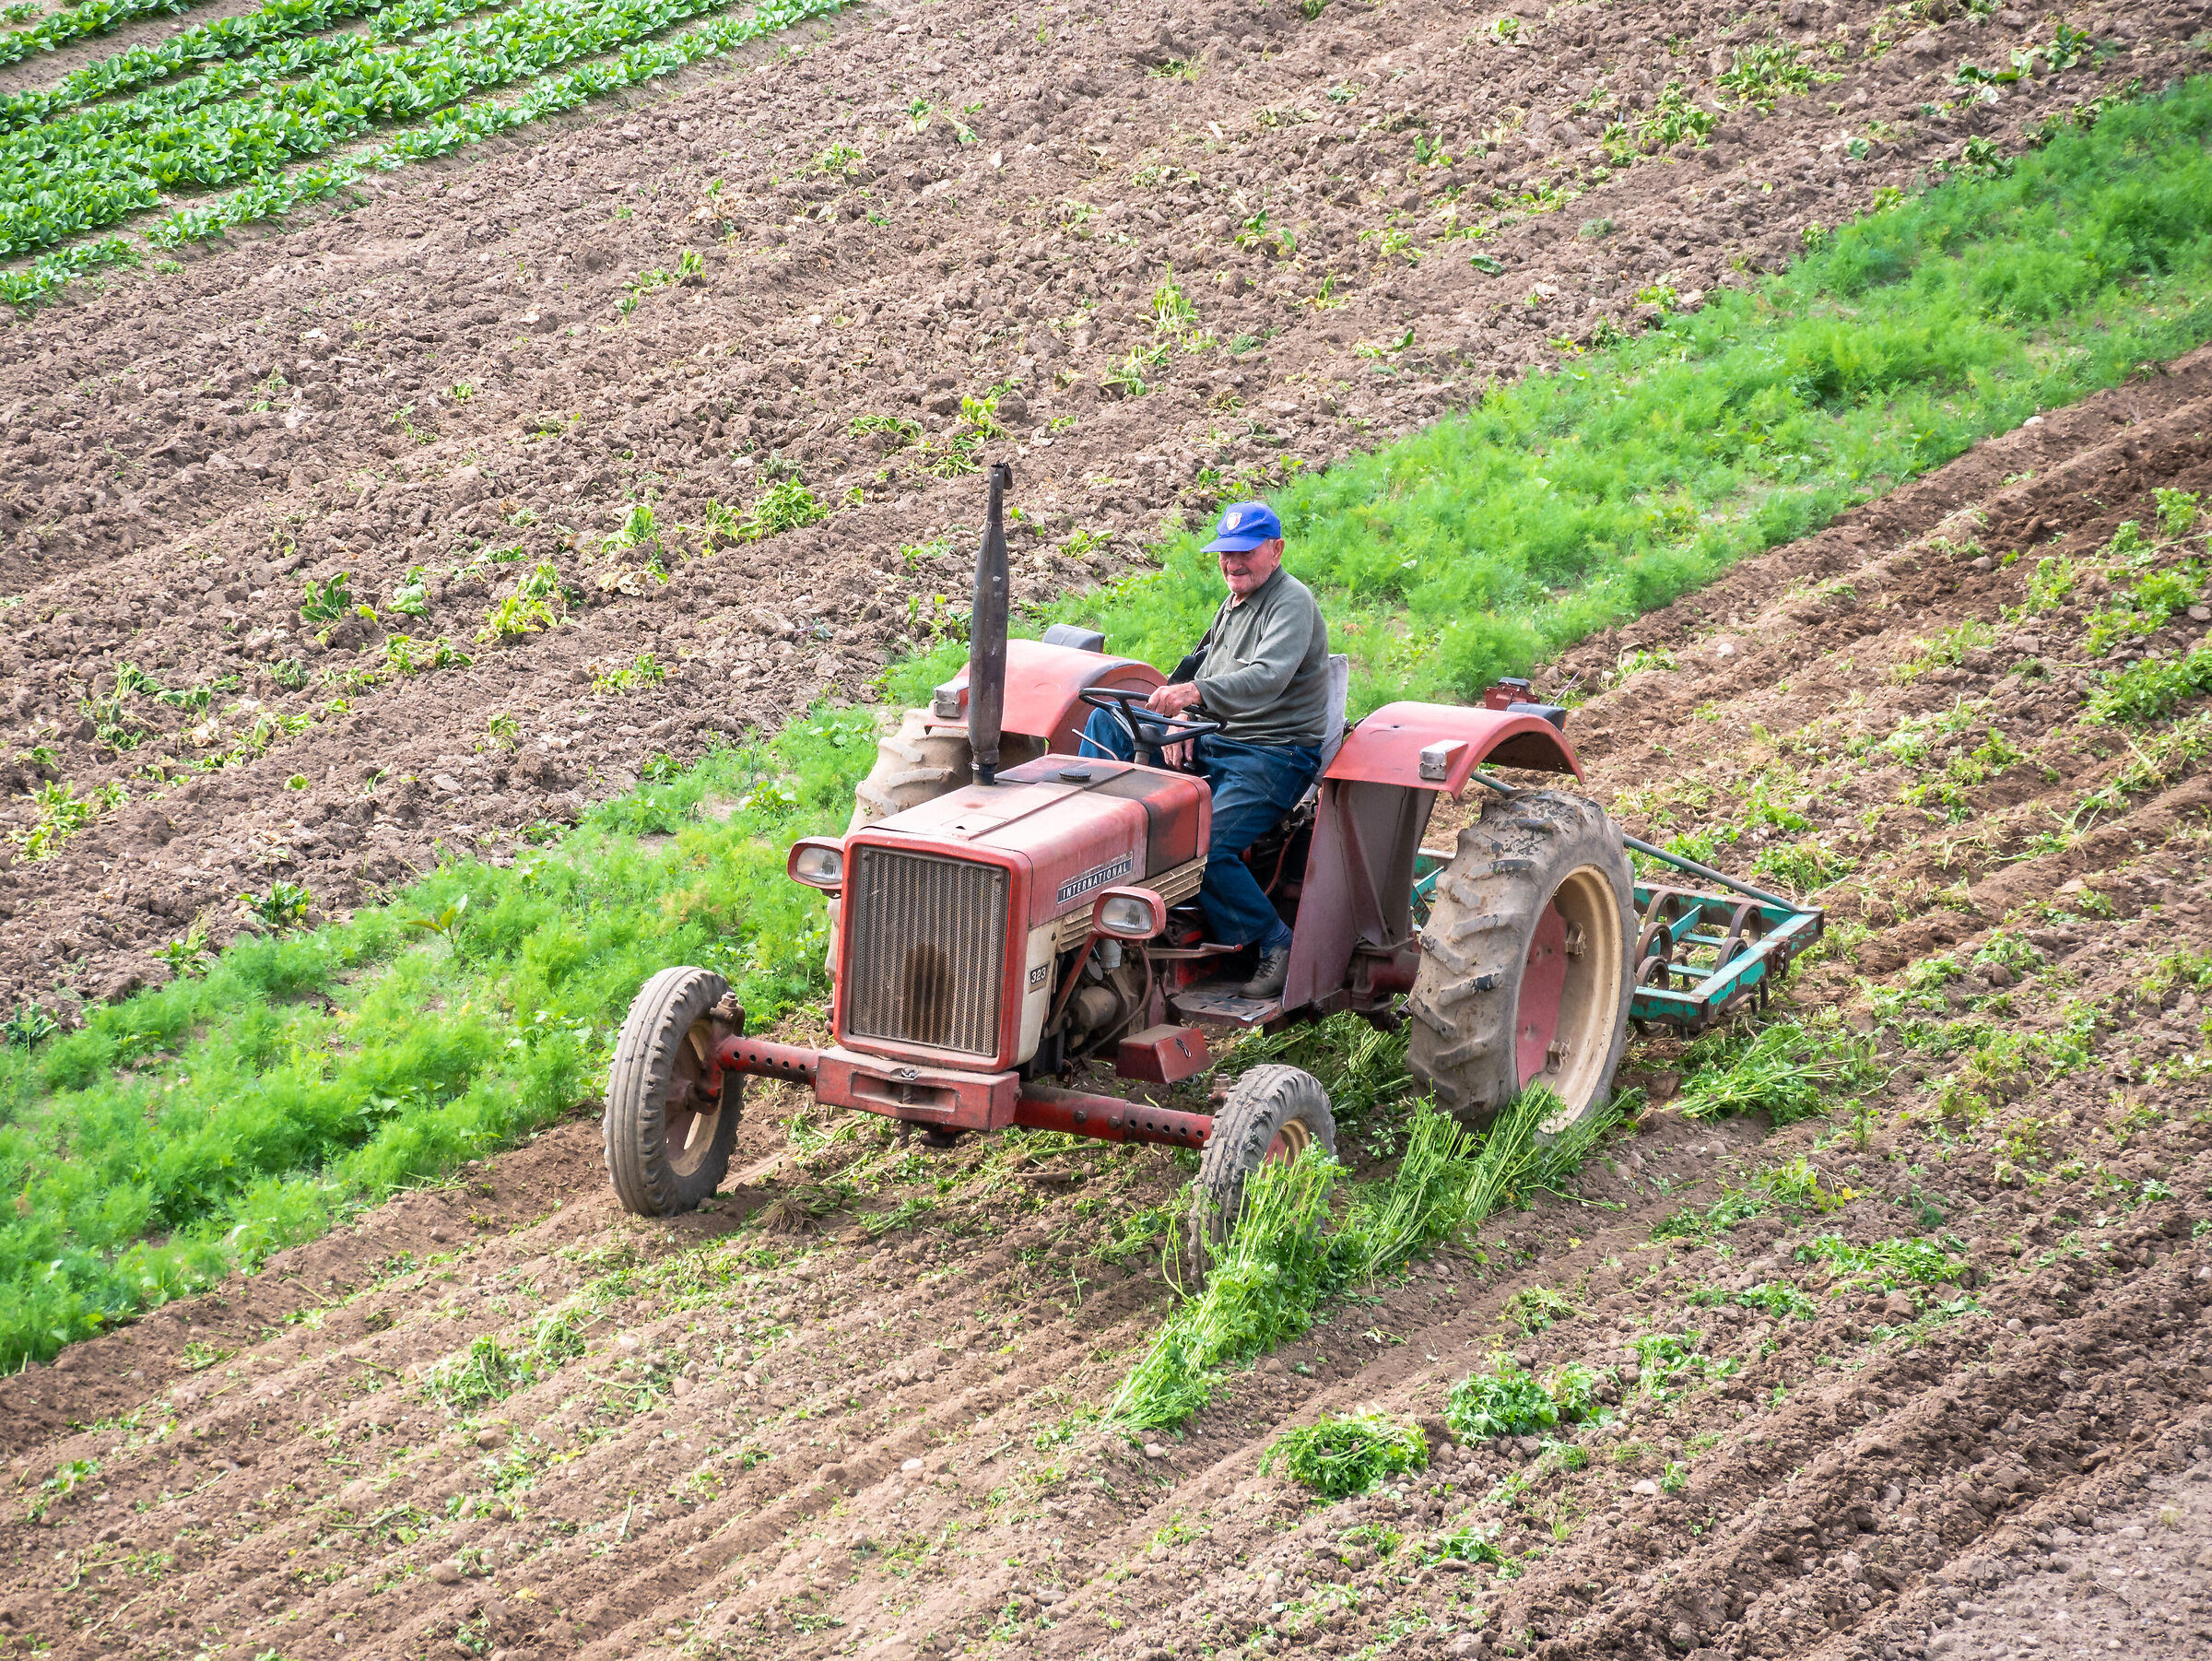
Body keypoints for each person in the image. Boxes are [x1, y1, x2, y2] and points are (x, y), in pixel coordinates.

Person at [1080, 501, 1331, 999]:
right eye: (1224, 553)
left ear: (1276, 550)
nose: (1232, 563)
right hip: (1218, 734)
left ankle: (1273, 940)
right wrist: (1186, 719)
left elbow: (1266, 678)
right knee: (1104, 721)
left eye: (1244, 552)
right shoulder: (1234, 602)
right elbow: (1204, 668)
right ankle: (1101, 852)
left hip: (1270, 752)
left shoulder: (1291, 603)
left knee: (1201, 845)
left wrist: (1193, 699)